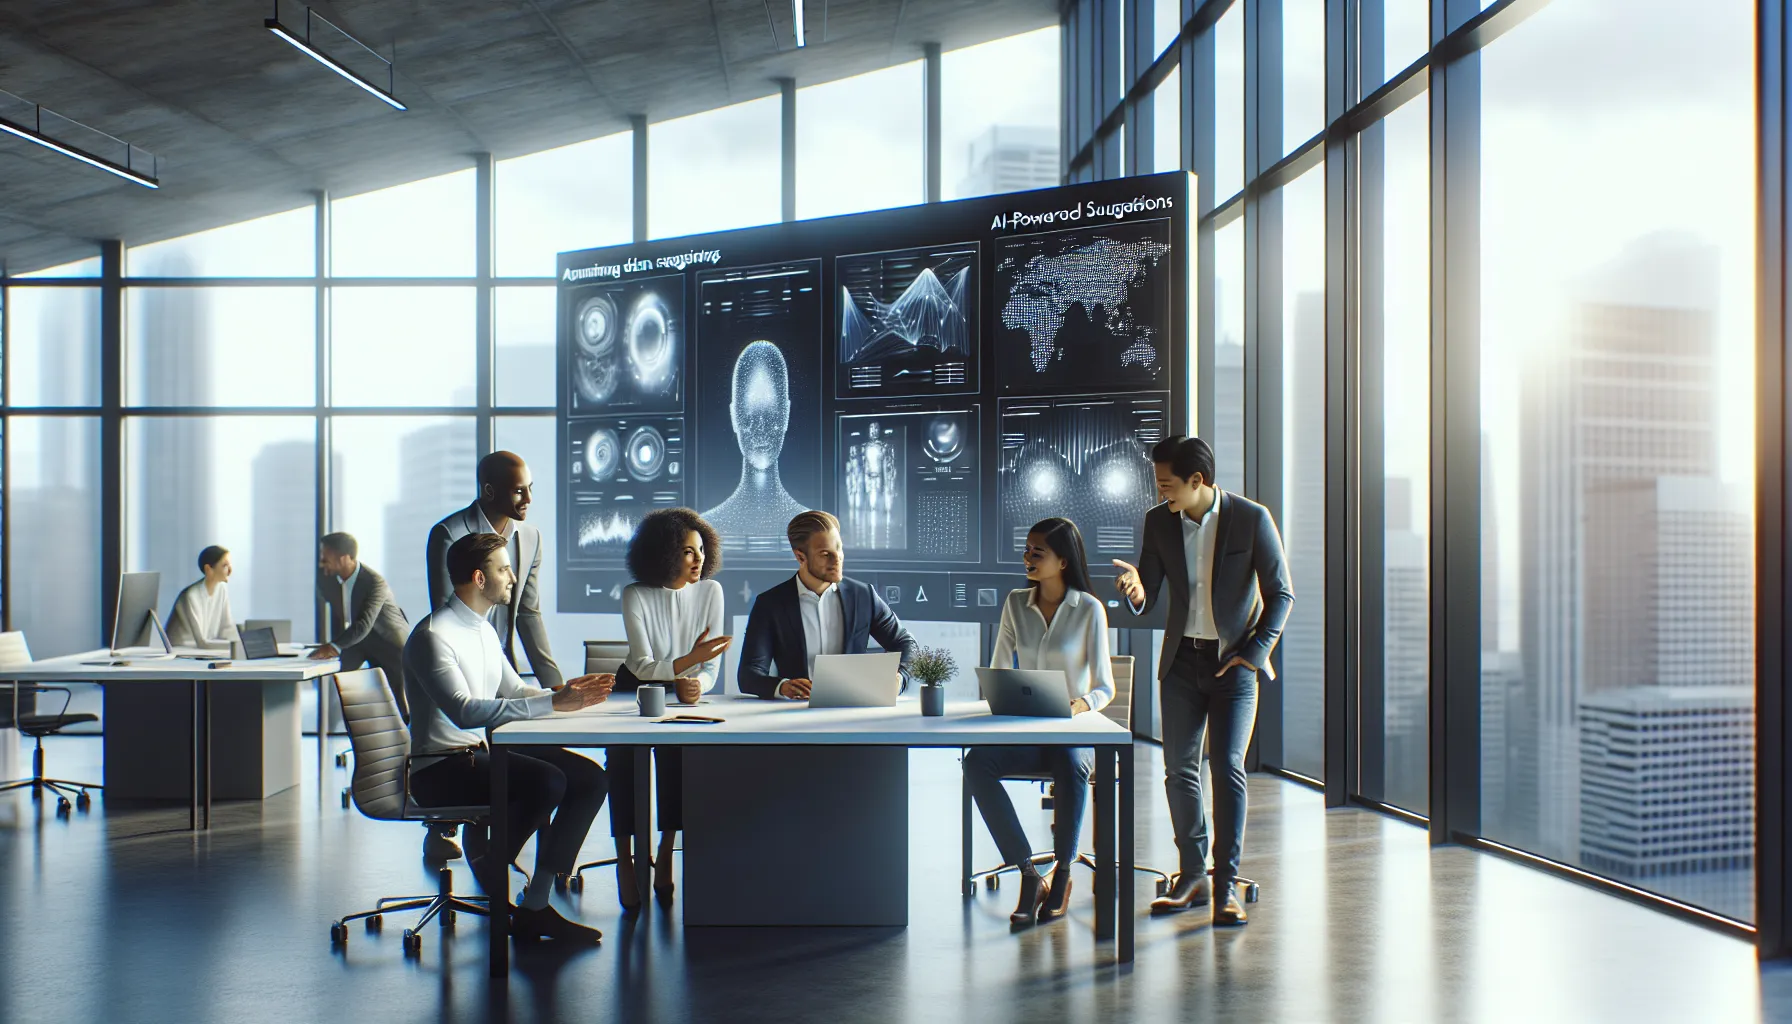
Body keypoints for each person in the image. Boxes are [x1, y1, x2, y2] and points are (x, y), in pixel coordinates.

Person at [1112, 435, 1293, 927]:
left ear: (1198, 481)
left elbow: (1281, 595)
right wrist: (1134, 590)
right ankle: (1192, 875)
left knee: (1227, 768)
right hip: (1181, 665)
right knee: (1179, 771)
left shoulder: (1252, 519)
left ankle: (1225, 884)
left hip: (1234, 665)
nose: (1160, 492)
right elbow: (1147, 596)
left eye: (1168, 484)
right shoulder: (1158, 522)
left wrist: (1254, 655)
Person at [404, 532, 616, 945]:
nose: (513, 577)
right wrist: (555, 705)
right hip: (440, 769)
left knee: (590, 778)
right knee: (549, 780)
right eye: (504, 569)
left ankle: (535, 903)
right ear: (479, 579)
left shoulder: (482, 629)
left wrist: (564, 694)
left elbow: (515, 692)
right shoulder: (434, 635)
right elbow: (464, 710)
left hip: (479, 755)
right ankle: (487, 857)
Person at [964, 517, 1114, 928]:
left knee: (1069, 762)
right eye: (1026, 550)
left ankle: (1063, 872)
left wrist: (1080, 705)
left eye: (1037, 552)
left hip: (1073, 734)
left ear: (1063, 561)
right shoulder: (1016, 602)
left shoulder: (1089, 610)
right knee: (977, 762)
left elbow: (1105, 688)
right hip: (1027, 730)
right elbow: (998, 669)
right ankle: (1030, 876)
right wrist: (997, 693)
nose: (1027, 558)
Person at [425, 451, 563, 860]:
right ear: (488, 491)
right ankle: (444, 826)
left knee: (516, 752)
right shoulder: (449, 532)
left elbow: (529, 613)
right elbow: (447, 607)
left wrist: (554, 685)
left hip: (501, 659)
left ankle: (495, 844)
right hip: (458, 655)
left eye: (530, 489)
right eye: (519, 490)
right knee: (466, 740)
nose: (528, 499)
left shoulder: (531, 536)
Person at [612, 507, 731, 911]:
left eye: (700, 550)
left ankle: (665, 851)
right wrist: (687, 663)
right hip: (636, 688)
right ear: (663, 554)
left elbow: (711, 665)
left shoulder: (711, 592)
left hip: (683, 690)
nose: (698, 560)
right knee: (624, 762)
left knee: (678, 760)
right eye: (686, 551)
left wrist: (700, 684)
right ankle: (626, 859)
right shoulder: (635, 595)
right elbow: (643, 664)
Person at [737, 510, 917, 700]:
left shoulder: (864, 596)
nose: (837, 559)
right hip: (794, 712)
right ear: (800, 557)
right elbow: (748, 675)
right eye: (825, 554)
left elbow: (905, 643)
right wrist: (782, 687)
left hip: (855, 707)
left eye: (839, 549)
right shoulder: (770, 604)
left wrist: (899, 679)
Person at [702, 340, 807, 544]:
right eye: (750, 418)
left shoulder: (815, 530)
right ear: (734, 416)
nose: (761, 430)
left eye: (770, 416)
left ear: (785, 414)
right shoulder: (705, 529)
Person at [311, 532, 411, 720]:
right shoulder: (331, 580)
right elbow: (339, 616)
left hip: (389, 645)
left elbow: (363, 624)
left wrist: (333, 647)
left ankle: (408, 745)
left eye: (326, 556)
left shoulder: (374, 582)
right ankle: (348, 726)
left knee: (399, 705)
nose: (322, 561)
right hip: (360, 641)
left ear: (344, 558)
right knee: (336, 679)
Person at [166, 545, 238, 649]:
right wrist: (235, 646)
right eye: (225, 565)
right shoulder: (191, 596)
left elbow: (227, 628)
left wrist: (240, 644)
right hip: (183, 652)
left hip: (204, 652)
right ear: (209, 569)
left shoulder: (222, 589)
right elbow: (201, 641)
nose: (230, 570)